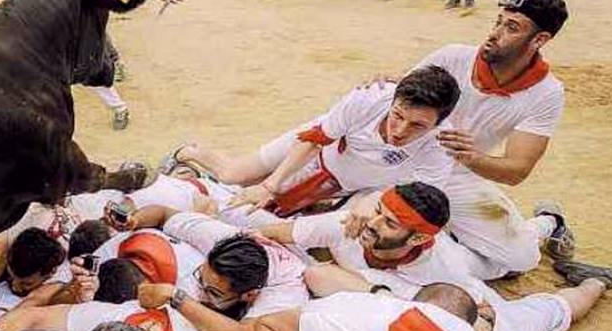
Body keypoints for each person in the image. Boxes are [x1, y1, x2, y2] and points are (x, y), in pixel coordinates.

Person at [402, 0, 573, 280]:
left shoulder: (546, 93)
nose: (494, 33)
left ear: (539, 40)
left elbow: (516, 170)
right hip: (403, 163)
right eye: (498, 21)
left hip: (458, 176)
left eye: (511, 27)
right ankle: (451, 247)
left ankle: (547, 223)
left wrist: (471, 158)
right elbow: (398, 105)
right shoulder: (452, 57)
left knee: (522, 258)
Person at [170, 64, 459, 219]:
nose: (400, 131)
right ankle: (190, 152)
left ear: (440, 122)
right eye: (397, 116)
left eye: (418, 126)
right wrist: (271, 185)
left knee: (275, 213)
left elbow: (423, 199)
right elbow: (316, 140)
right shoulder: (368, 98)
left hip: (348, 183)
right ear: (394, 99)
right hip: (314, 149)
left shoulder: (443, 143)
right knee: (235, 177)